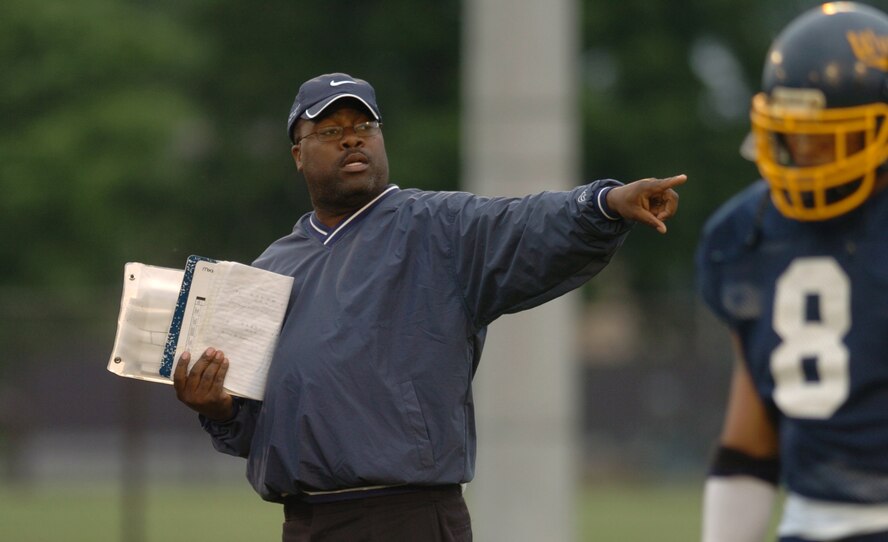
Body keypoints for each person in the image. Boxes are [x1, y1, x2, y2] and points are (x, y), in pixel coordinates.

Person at [173, 71, 685, 541]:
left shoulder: (435, 226)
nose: (352, 137)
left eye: (364, 125)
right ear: (298, 155)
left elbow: (524, 223)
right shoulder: (271, 267)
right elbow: (256, 422)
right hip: (306, 520)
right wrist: (217, 407)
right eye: (329, 130)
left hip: (410, 516)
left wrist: (604, 204)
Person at [697, 3, 888, 541]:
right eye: (795, 134)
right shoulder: (747, 232)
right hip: (808, 522)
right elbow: (751, 438)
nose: (806, 155)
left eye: (830, 135)